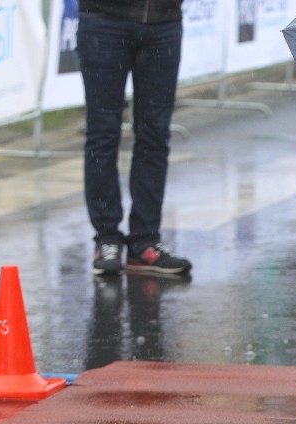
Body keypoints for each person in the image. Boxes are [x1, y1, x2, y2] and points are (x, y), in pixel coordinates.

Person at [77, 0, 192, 275]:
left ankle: (145, 241)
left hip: (164, 21)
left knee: (155, 136)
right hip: (105, 20)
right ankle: (106, 238)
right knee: (103, 134)